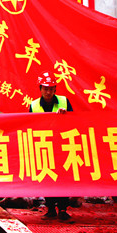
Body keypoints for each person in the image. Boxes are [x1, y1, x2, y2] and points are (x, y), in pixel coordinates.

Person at [29, 72, 72, 220]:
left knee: (63, 178)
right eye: (45, 88)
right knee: (47, 177)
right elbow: (29, 125)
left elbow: (75, 122)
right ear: (40, 89)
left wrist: (66, 115)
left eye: (51, 89)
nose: (48, 92)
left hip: (62, 146)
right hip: (44, 146)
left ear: (55, 89)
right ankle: (51, 209)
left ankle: (63, 209)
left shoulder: (64, 101)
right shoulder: (34, 105)